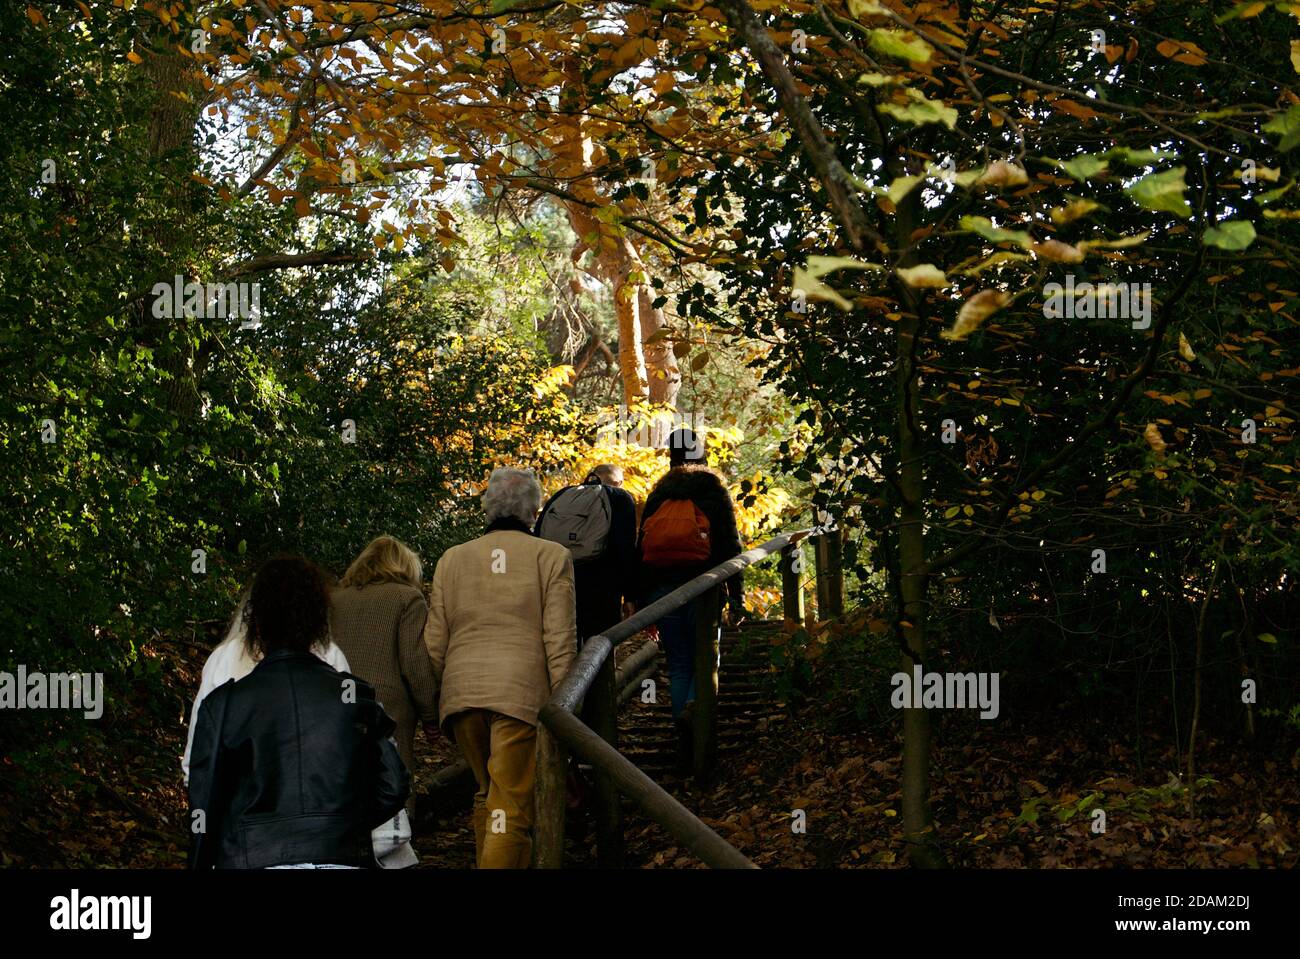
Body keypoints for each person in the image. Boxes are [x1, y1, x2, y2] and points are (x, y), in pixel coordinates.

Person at [188, 556, 409, 869]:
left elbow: (204, 802)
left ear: (256, 621)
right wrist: (343, 824)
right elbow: (393, 785)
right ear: (318, 620)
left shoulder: (224, 704)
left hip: (252, 858)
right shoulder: (353, 695)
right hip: (340, 856)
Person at [424, 467, 577, 868]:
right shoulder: (551, 556)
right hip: (518, 696)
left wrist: (430, 702)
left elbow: (435, 641)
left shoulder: (452, 559)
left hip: (461, 696)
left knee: (487, 793)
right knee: (509, 806)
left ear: (488, 507)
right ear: (535, 510)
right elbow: (559, 638)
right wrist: (566, 706)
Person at [636, 427, 744, 773]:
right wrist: (738, 597)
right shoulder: (713, 490)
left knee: (680, 664)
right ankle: (698, 722)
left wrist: (642, 602)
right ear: (702, 454)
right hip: (705, 591)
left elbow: (642, 550)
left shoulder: (659, 493)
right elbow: (730, 547)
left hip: (663, 594)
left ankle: (684, 729)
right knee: (704, 661)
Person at [329, 534, 437, 869]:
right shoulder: (408, 598)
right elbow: (415, 664)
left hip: (335, 705)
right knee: (391, 785)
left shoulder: (335, 599)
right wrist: (432, 715)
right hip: (387, 709)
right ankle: (391, 856)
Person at [536, 463, 638, 643]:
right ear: (620, 482)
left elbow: (539, 535)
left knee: (567, 645)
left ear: (592, 476)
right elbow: (626, 549)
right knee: (600, 647)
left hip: (563, 583)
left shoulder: (562, 495)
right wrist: (630, 595)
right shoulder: (620, 498)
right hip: (604, 589)